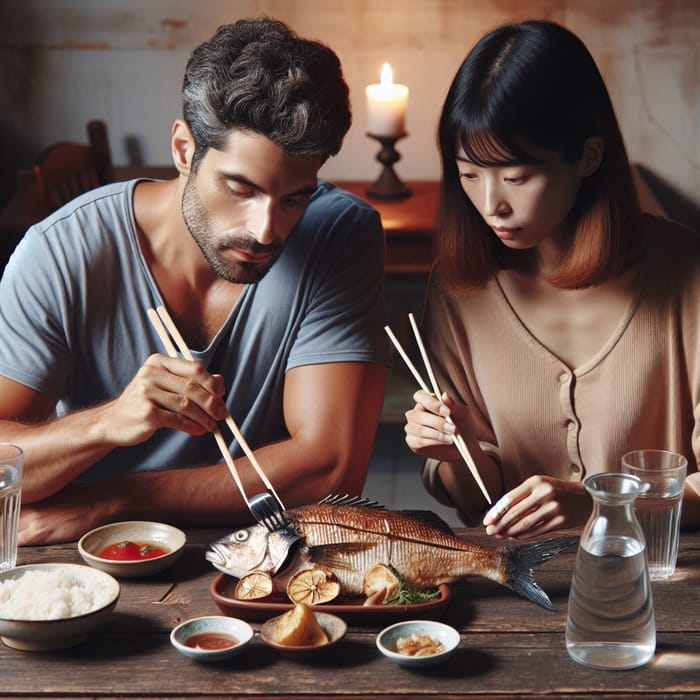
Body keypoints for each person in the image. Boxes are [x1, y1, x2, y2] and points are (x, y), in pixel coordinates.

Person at [0, 17, 389, 545]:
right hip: (96, 562)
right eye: (240, 188)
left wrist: (117, 501)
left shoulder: (339, 232)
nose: (266, 230)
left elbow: (331, 467)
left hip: (263, 558)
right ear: (184, 150)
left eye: (295, 197)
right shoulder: (61, 251)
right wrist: (107, 422)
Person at [404, 19, 700, 539]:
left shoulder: (685, 272)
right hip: (509, 593)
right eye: (469, 175)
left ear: (587, 157)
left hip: (659, 583)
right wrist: (460, 451)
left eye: (516, 177)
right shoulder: (459, 288)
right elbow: (479, 498)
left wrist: (602, 508)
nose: (491, 204)